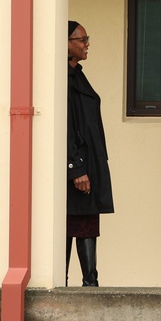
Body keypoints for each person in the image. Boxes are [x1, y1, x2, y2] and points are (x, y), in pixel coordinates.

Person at [67, 20, 114, 287]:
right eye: (81, 40)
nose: (87, 45)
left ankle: (90, 286)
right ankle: (61, 285)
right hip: (76, 169)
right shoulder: (61, 78)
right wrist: (76, 168)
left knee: (85, 226)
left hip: (87, 166)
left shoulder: (77, 74)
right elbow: (66, 128)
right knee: (66, 228)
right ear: (65, 44)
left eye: (87, 39)